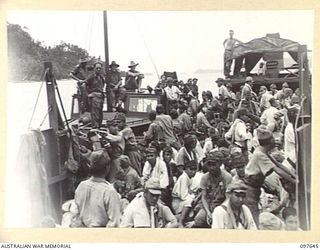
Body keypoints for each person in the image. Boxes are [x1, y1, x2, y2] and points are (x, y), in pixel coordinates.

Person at [244, 125, 296, 226]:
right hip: (250, 188)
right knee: (253, 217)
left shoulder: (264, 151)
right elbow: (278, 171)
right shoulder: (259, 154)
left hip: (255, 188)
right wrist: (296, 182)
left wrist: (294, 175)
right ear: (270, 142)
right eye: (273, 140)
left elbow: (278, 164)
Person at [74, 149, 121, 227]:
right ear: (107, 168)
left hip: (83, 231)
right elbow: (114, 223)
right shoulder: (109, 191)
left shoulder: (82, 185)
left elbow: (76, 211)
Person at [193, 152, 232, 228]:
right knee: (198, 220)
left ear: (220, 164)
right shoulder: (205, 177)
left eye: (214, 164)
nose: (211, 167)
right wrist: (208, 212)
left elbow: (228, 198)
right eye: (209, 165)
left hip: (222, 206)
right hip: (208, 205)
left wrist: (218, 211)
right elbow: (203, 197)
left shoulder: (227, 177)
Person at [171, 160, 197, 227]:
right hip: (177, 202)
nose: (193, 172)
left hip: (181, 201)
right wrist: (193, 197)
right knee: (190, 201)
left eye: (195, 170)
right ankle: (180, 221)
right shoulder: (184, 177)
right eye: (191, 169)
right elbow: (184, 196)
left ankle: (179, 218)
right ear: (186, 169)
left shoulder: (189, 178)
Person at [84, 61, 106, 128]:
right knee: (95, 114)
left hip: (100, 97)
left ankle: (99, 126)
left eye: (100, 68)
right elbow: (84, 85)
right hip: (94, 97)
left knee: (100, 114)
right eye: (97, 68)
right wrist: (88, 94)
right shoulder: (91, 76)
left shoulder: (101, 77)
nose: (98, 69)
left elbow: (102, 86)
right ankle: (95, 128)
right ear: (94, 69)